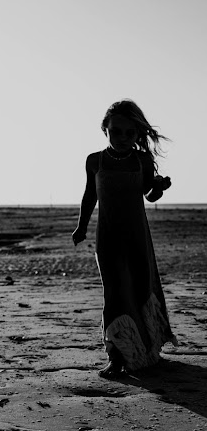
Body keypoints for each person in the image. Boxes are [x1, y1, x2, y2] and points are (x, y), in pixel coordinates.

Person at [72, 99, 177, 378]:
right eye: (116, 131)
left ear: (138, 135)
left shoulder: (142, 160)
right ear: (104, 129)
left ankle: (146, 350)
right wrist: (81, 227)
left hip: (137, 237)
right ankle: (116, 356)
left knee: (141, 288)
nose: (122, 138)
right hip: (108, 238)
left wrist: (160, 188)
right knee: (115, 295)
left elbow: (149, 195)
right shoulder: (95, 161)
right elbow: (89, 196)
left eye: (129, 133)